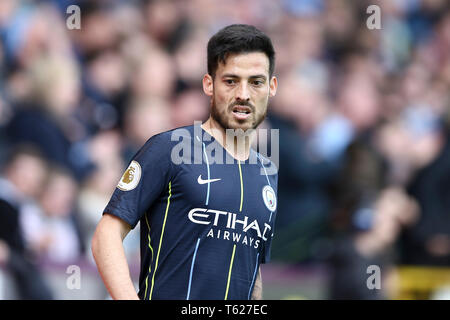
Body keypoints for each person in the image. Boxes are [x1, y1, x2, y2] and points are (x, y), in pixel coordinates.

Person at [92, 24, 279, 300]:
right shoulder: (167, 149)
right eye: (230, 81)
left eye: (256, 81)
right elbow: (105, 236)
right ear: (208, 84)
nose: (244, 93)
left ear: (271, 87)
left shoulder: (268, 173)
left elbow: (251, 272)